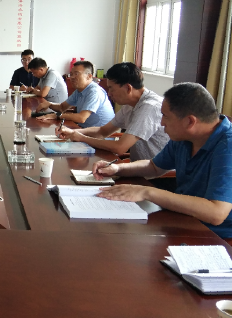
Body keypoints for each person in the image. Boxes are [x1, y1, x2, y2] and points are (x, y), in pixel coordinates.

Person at [93, 83, 232, 238]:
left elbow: (216, 213)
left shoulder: (227, 146)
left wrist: (147, 192)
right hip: (183, 218)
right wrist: (118, 169)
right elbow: (154, 166)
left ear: (190, 122)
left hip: (215, 236)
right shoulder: (184, 137)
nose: (161, 123)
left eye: (165, 116)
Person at [57, 62, 169, 161]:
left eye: (111, 89)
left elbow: (120, 147)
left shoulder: (149, 107)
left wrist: (82, 138)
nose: (109, 93)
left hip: (154, 175)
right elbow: (102, 131)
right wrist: (73, 132)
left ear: (128, 88)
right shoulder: (130, 104)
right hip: (138, 167)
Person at [36, 60, 114, 127]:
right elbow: (62, 107)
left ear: (89, 76)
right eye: (71, 74)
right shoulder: (79, 90)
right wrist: (49, 104)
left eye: (76, 74)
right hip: (85, 130)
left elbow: (81, 118)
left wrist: (57, 115)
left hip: (100, 136)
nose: (72, 77)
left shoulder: (94, 92)